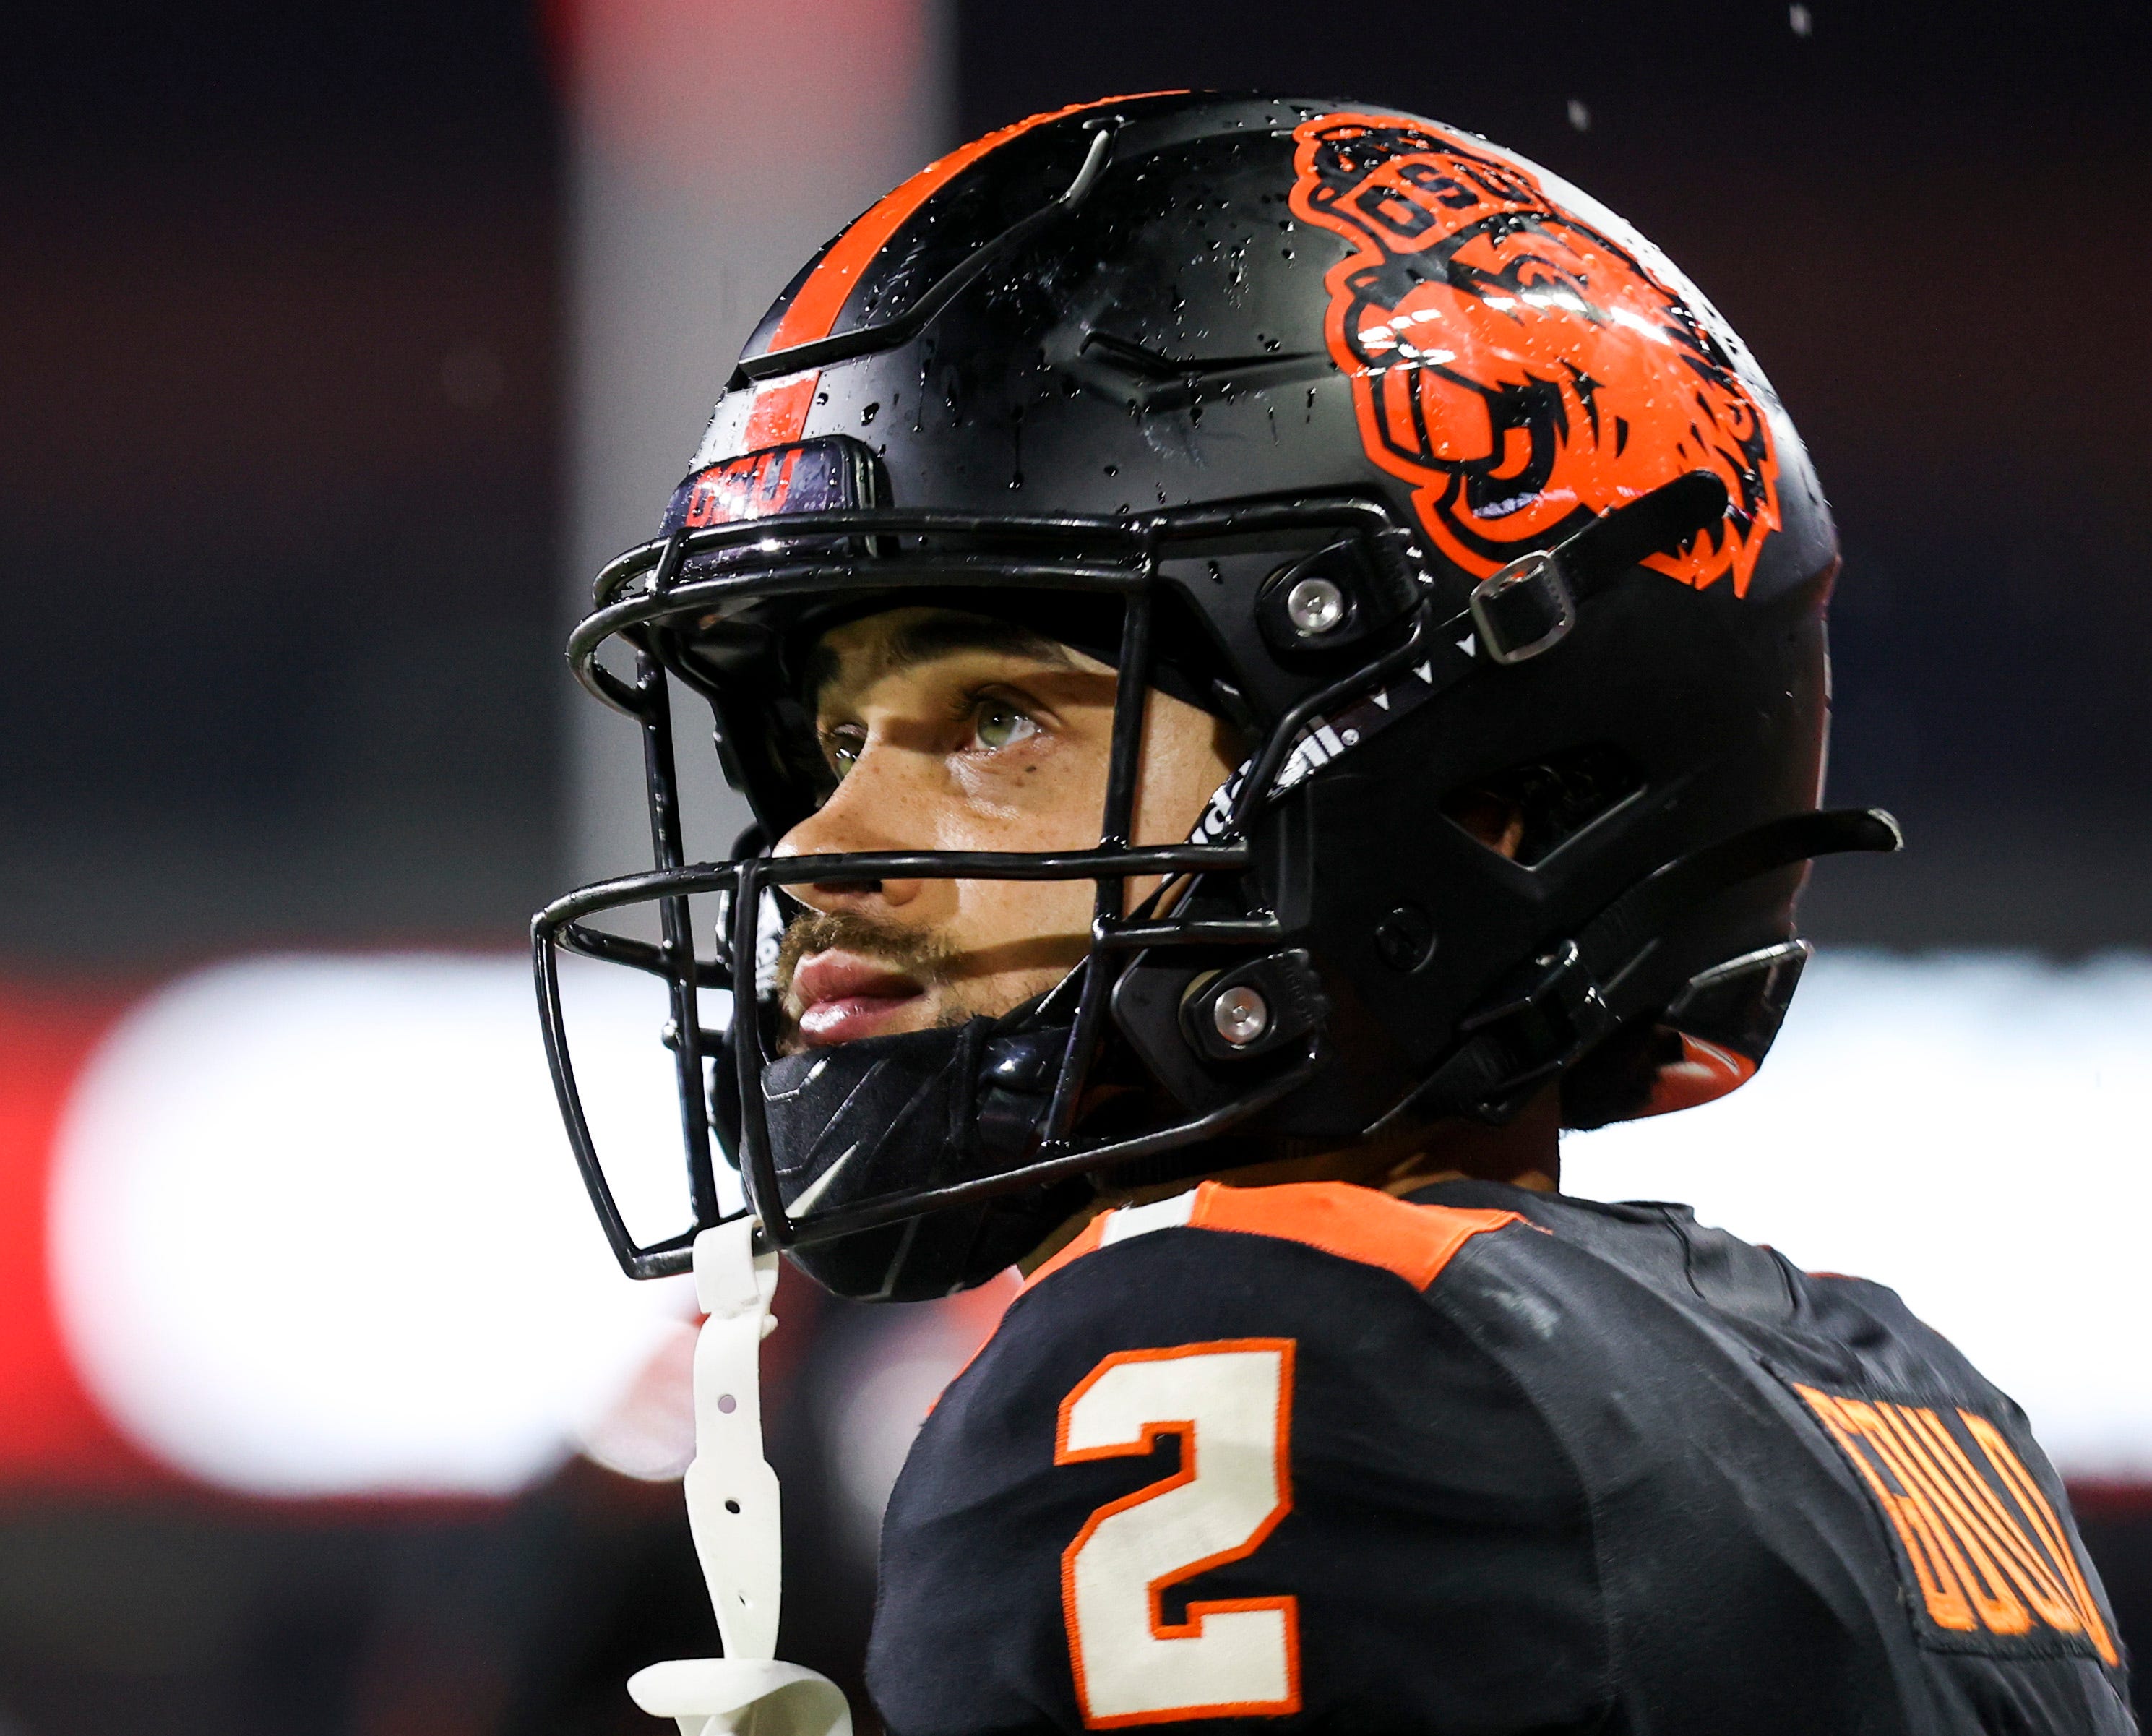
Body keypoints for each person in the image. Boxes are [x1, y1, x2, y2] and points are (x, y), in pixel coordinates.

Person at [538, 95, 2132, 1732]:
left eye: (996, 719)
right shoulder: (1897, 1404)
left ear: (1486, 789)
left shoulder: (1248, 1369)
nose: (813, 848)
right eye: (835, 742)